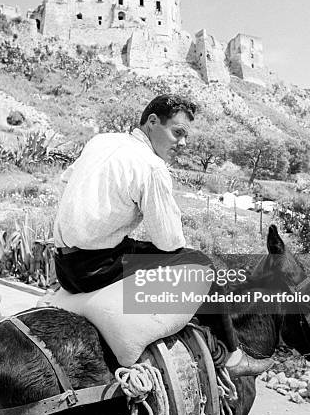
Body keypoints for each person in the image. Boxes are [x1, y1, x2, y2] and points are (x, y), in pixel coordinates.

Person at [54, 94, 270, 377]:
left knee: (137, 248)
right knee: (202, 264)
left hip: (63, 263)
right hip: (94, 267)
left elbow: (66, 179)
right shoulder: (151, 166)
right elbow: (169, 241)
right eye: (177, 133)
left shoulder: (101, 141)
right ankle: (232, 356)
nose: (183, 143)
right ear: (153, 122)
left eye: (185, 136)